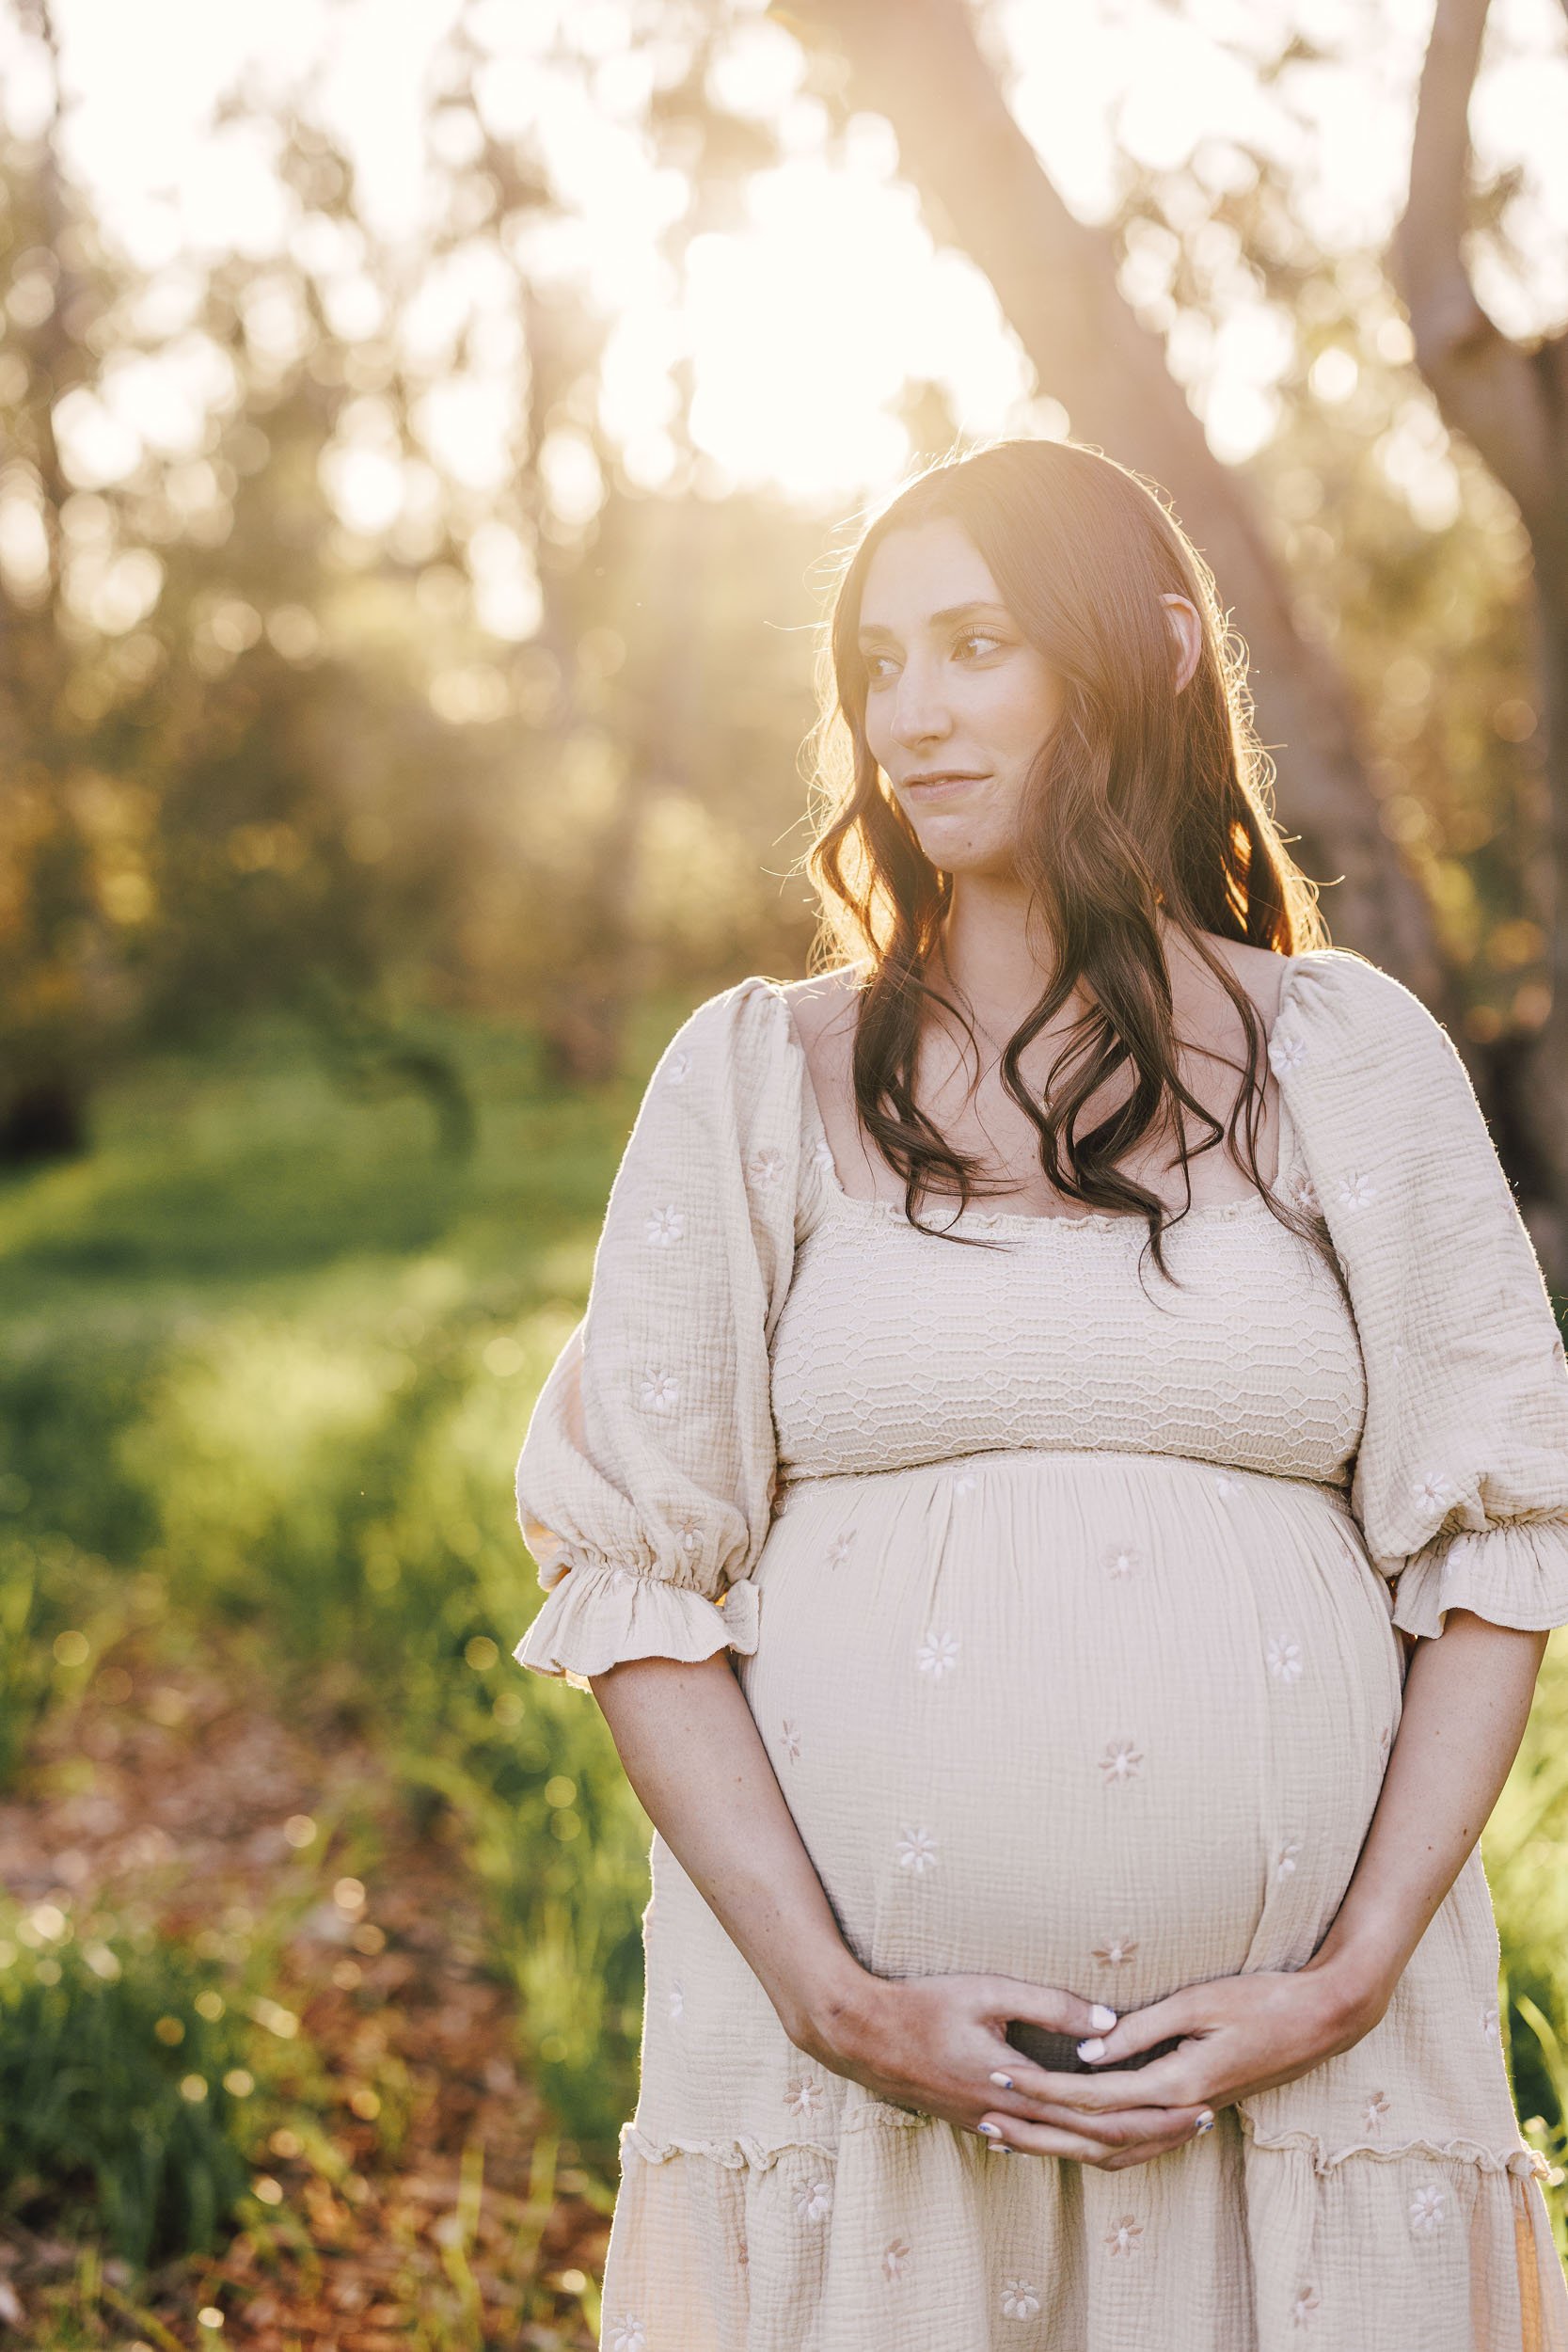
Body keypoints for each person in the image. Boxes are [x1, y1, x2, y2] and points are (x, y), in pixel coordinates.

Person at [510, 437, 1568, 2350]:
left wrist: (1342, 1979)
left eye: (975, 642)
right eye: (879, 659)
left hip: (1307, 2101)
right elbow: (633, 1583)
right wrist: (834, 1993)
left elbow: (1501, 1544)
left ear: (1152, 649)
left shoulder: (1348, 1057)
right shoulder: (757, 1077)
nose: (907, 710)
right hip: (860, 2105)